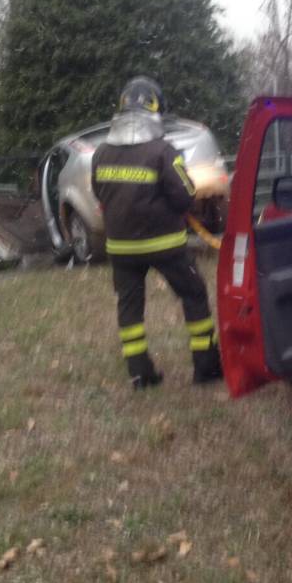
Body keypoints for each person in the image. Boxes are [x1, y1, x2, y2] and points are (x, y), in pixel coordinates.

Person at [91, 76, 222, 389]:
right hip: (165, 244)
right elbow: (185, 195)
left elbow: (100, 194)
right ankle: (206, 366)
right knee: (193, 295)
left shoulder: (101, 154)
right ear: (155, 110)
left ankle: (140, 373)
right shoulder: (163, 151)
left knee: (129, 308)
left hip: (121, 248)